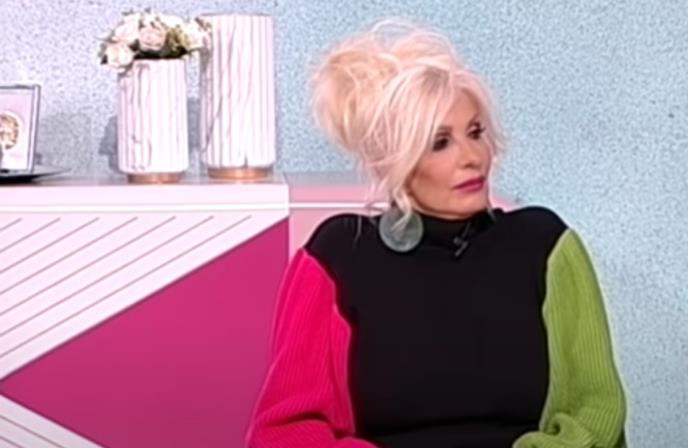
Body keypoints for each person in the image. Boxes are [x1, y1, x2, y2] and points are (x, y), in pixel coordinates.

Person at [246, 19, 626, 448]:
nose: (472, 157)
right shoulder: (338, 256)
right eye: (440, 142)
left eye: (476, 132)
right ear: (396, 161)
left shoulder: (545, 246)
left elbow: (596, 412)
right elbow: (283, 433)